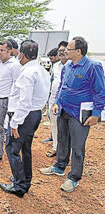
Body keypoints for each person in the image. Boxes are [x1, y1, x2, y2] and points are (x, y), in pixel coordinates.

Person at [40, 36, 105, 193]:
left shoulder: (93, 66)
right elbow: (63, 86)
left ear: (78, 51)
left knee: (77, 146)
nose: (64, 52)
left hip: (79, 114)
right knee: (62, 140)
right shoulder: (68, 65)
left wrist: (96, 114)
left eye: (68, 49)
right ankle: (59, 166)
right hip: (64, 110)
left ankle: (74, 177)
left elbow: (100, 92)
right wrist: (57, 103)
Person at [0, 40, 50, 198]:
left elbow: (24, 102)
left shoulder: (28, 73)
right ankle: (25, 179)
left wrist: (15, 123)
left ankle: (19, 186)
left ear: (22, 54)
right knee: (25, 149)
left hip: (23, 116)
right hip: (34, 115)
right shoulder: (41, 70)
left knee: (12, 149)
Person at [45, 41, 69, 157]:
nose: (62, 53)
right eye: (60, 51)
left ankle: (66, 151)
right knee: (54, 125)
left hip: (67, 103)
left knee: (66, 128)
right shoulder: (56, 66)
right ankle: (55, 147)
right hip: (53, 100)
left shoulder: (72, 65)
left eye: (64, 50)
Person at [42, 47, 61, 143]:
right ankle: (53, 137)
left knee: (57, 121)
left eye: (52, 58)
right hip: (51, 96)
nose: (50, 60)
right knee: (52, 119)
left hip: (57, 99)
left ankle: (56, 140)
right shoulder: (54, 66)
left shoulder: (63, 67)